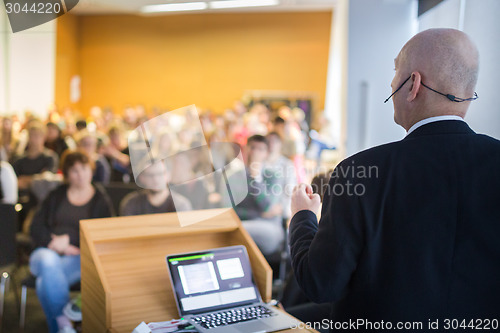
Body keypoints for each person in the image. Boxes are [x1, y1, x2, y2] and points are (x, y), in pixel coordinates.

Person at [289, 28, 500, 331]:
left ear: (413, 84)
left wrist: (302, 217)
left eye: (394, 73)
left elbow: (321, 284)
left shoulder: (356, 172)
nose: (391, 83)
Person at [29, 150, 114, 333]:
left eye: (84, 169)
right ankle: (66, 319)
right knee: (48, 261)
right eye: (74, 170)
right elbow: (35, 227)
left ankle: (62, 327)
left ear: (91, 170)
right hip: (46, 250)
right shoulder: (57, 194)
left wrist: (70, 241)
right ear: (67, 174)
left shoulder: (100, 200)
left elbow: (104, 235)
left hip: (80, 259)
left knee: (43, 283)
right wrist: (56, 244)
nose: (80, 174)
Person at [233, 135, 284, 256]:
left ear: (266, 153)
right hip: (242, 224)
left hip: (269, 228)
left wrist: (256, 178)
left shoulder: (273, 176)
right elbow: (232, 210)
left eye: (260, 149)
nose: (255, 152)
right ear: (245, 149)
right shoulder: (235, 176)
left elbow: (266, 206)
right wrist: (258, 214)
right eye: (252, 148)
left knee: (236, 231)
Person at [119, 159, 192, 216]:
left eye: (160, 174)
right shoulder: (131, 203)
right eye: (150, 175)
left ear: (168, 175)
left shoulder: (181, 205)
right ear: (142, 178)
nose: (155, 179)